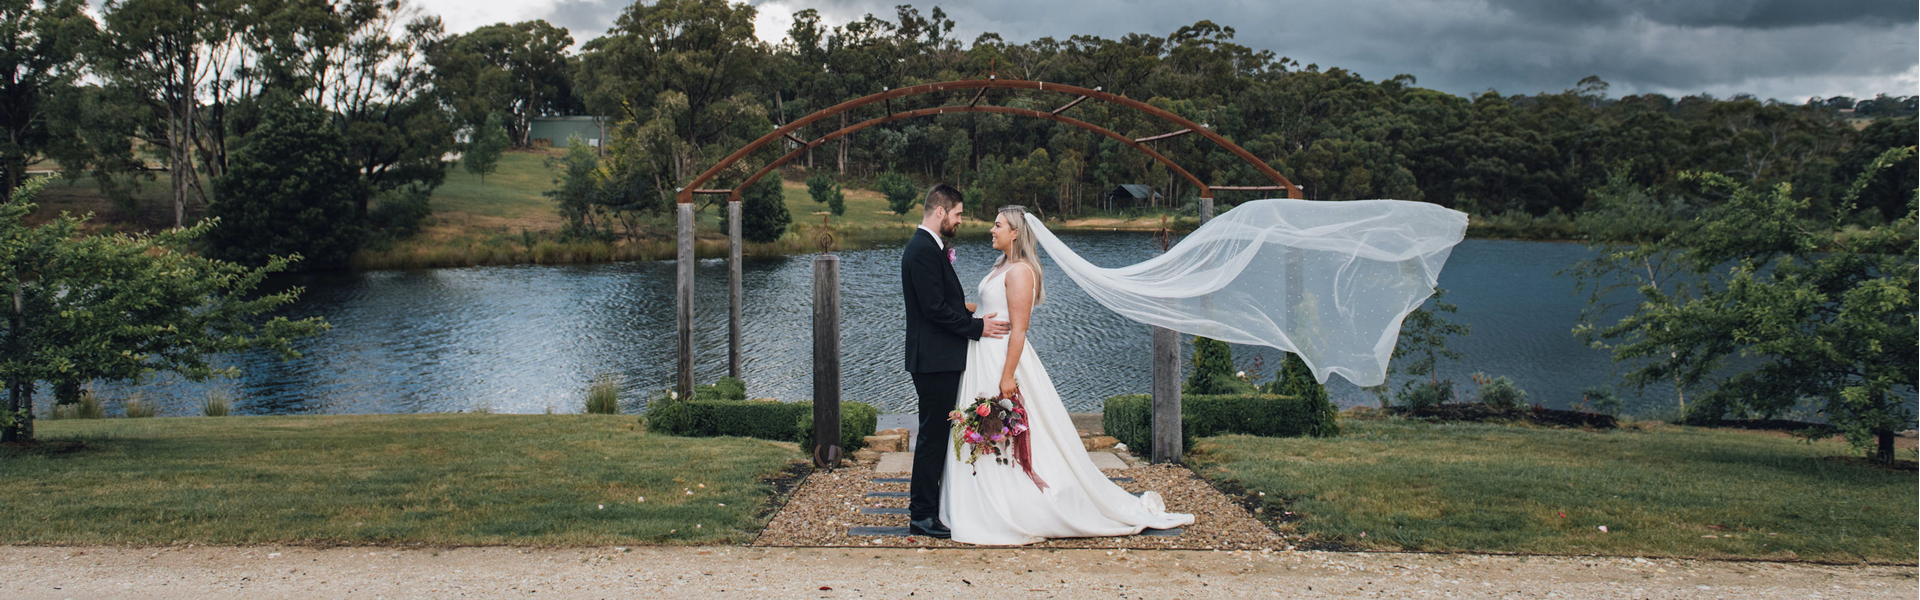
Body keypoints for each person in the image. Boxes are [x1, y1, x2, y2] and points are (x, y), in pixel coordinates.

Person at [938, 205, 1192, 545]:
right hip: (981, 354)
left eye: (997, 225)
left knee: (1003, 428)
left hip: (1001, 359)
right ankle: (979, 500)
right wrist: (952, 308)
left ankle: (1017, 501)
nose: (991, 230)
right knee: (983, 429)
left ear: (1015, 232)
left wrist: (1007, 377)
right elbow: (987, 308)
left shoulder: (1021, 272)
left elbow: (1019, 329)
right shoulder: (1002, 265)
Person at [899, 183, 1009, 540]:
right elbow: (933, 310)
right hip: (932, 359)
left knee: (937, 434)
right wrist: (977, 328)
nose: (961, 220)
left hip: (937, 357)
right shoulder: (921, 251)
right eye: (958, 213)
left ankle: (933, 506)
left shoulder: (931, 248)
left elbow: (945, 303)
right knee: (931, 436)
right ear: (940, 212)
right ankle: (922, 515)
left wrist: (975, 313)